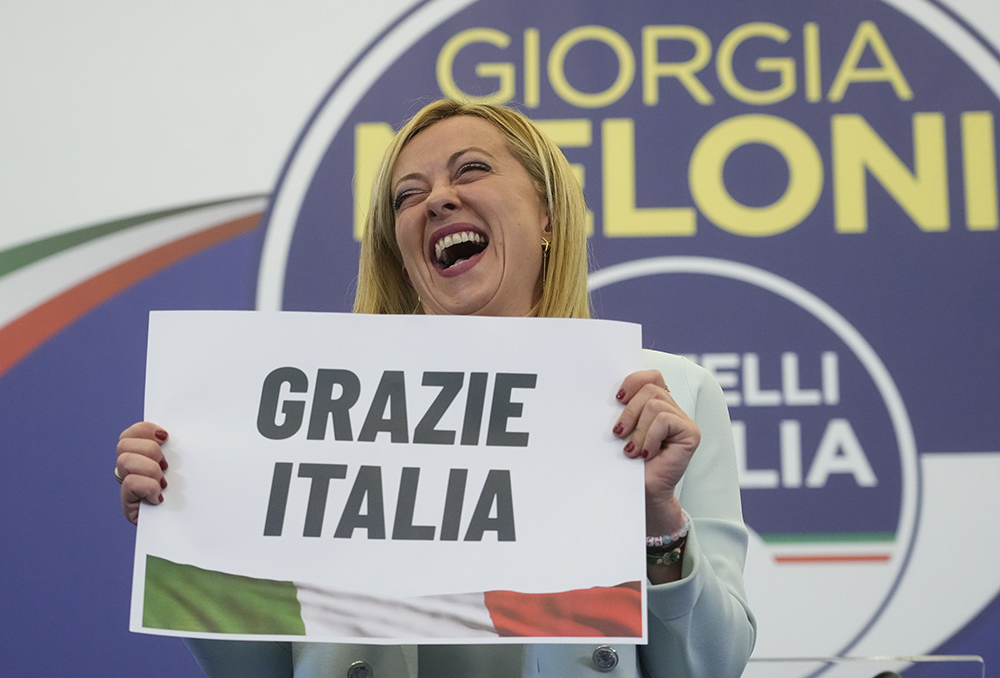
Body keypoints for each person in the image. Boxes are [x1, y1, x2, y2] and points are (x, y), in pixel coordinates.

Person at [116, 98, 756, 677]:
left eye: (472, 170)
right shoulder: (318, 413)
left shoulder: (668, 397)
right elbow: (253, 671)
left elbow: (710, 667)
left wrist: (658, 522)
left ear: (549, 218)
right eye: (407, 195)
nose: (437, 201)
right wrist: (188, 521)